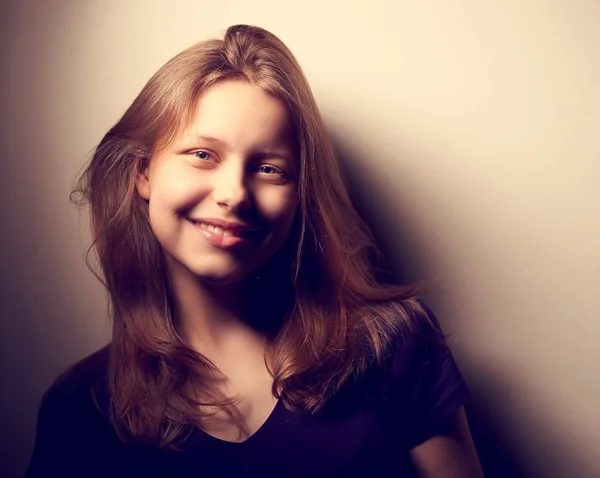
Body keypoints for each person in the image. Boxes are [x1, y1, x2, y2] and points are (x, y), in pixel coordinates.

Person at [26, 25, 483, 477]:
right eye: (202, 154)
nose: (234, 195)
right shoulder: (80, 408)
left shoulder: (392, 344)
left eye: (269, 168)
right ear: (143, 174)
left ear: (301, 193)